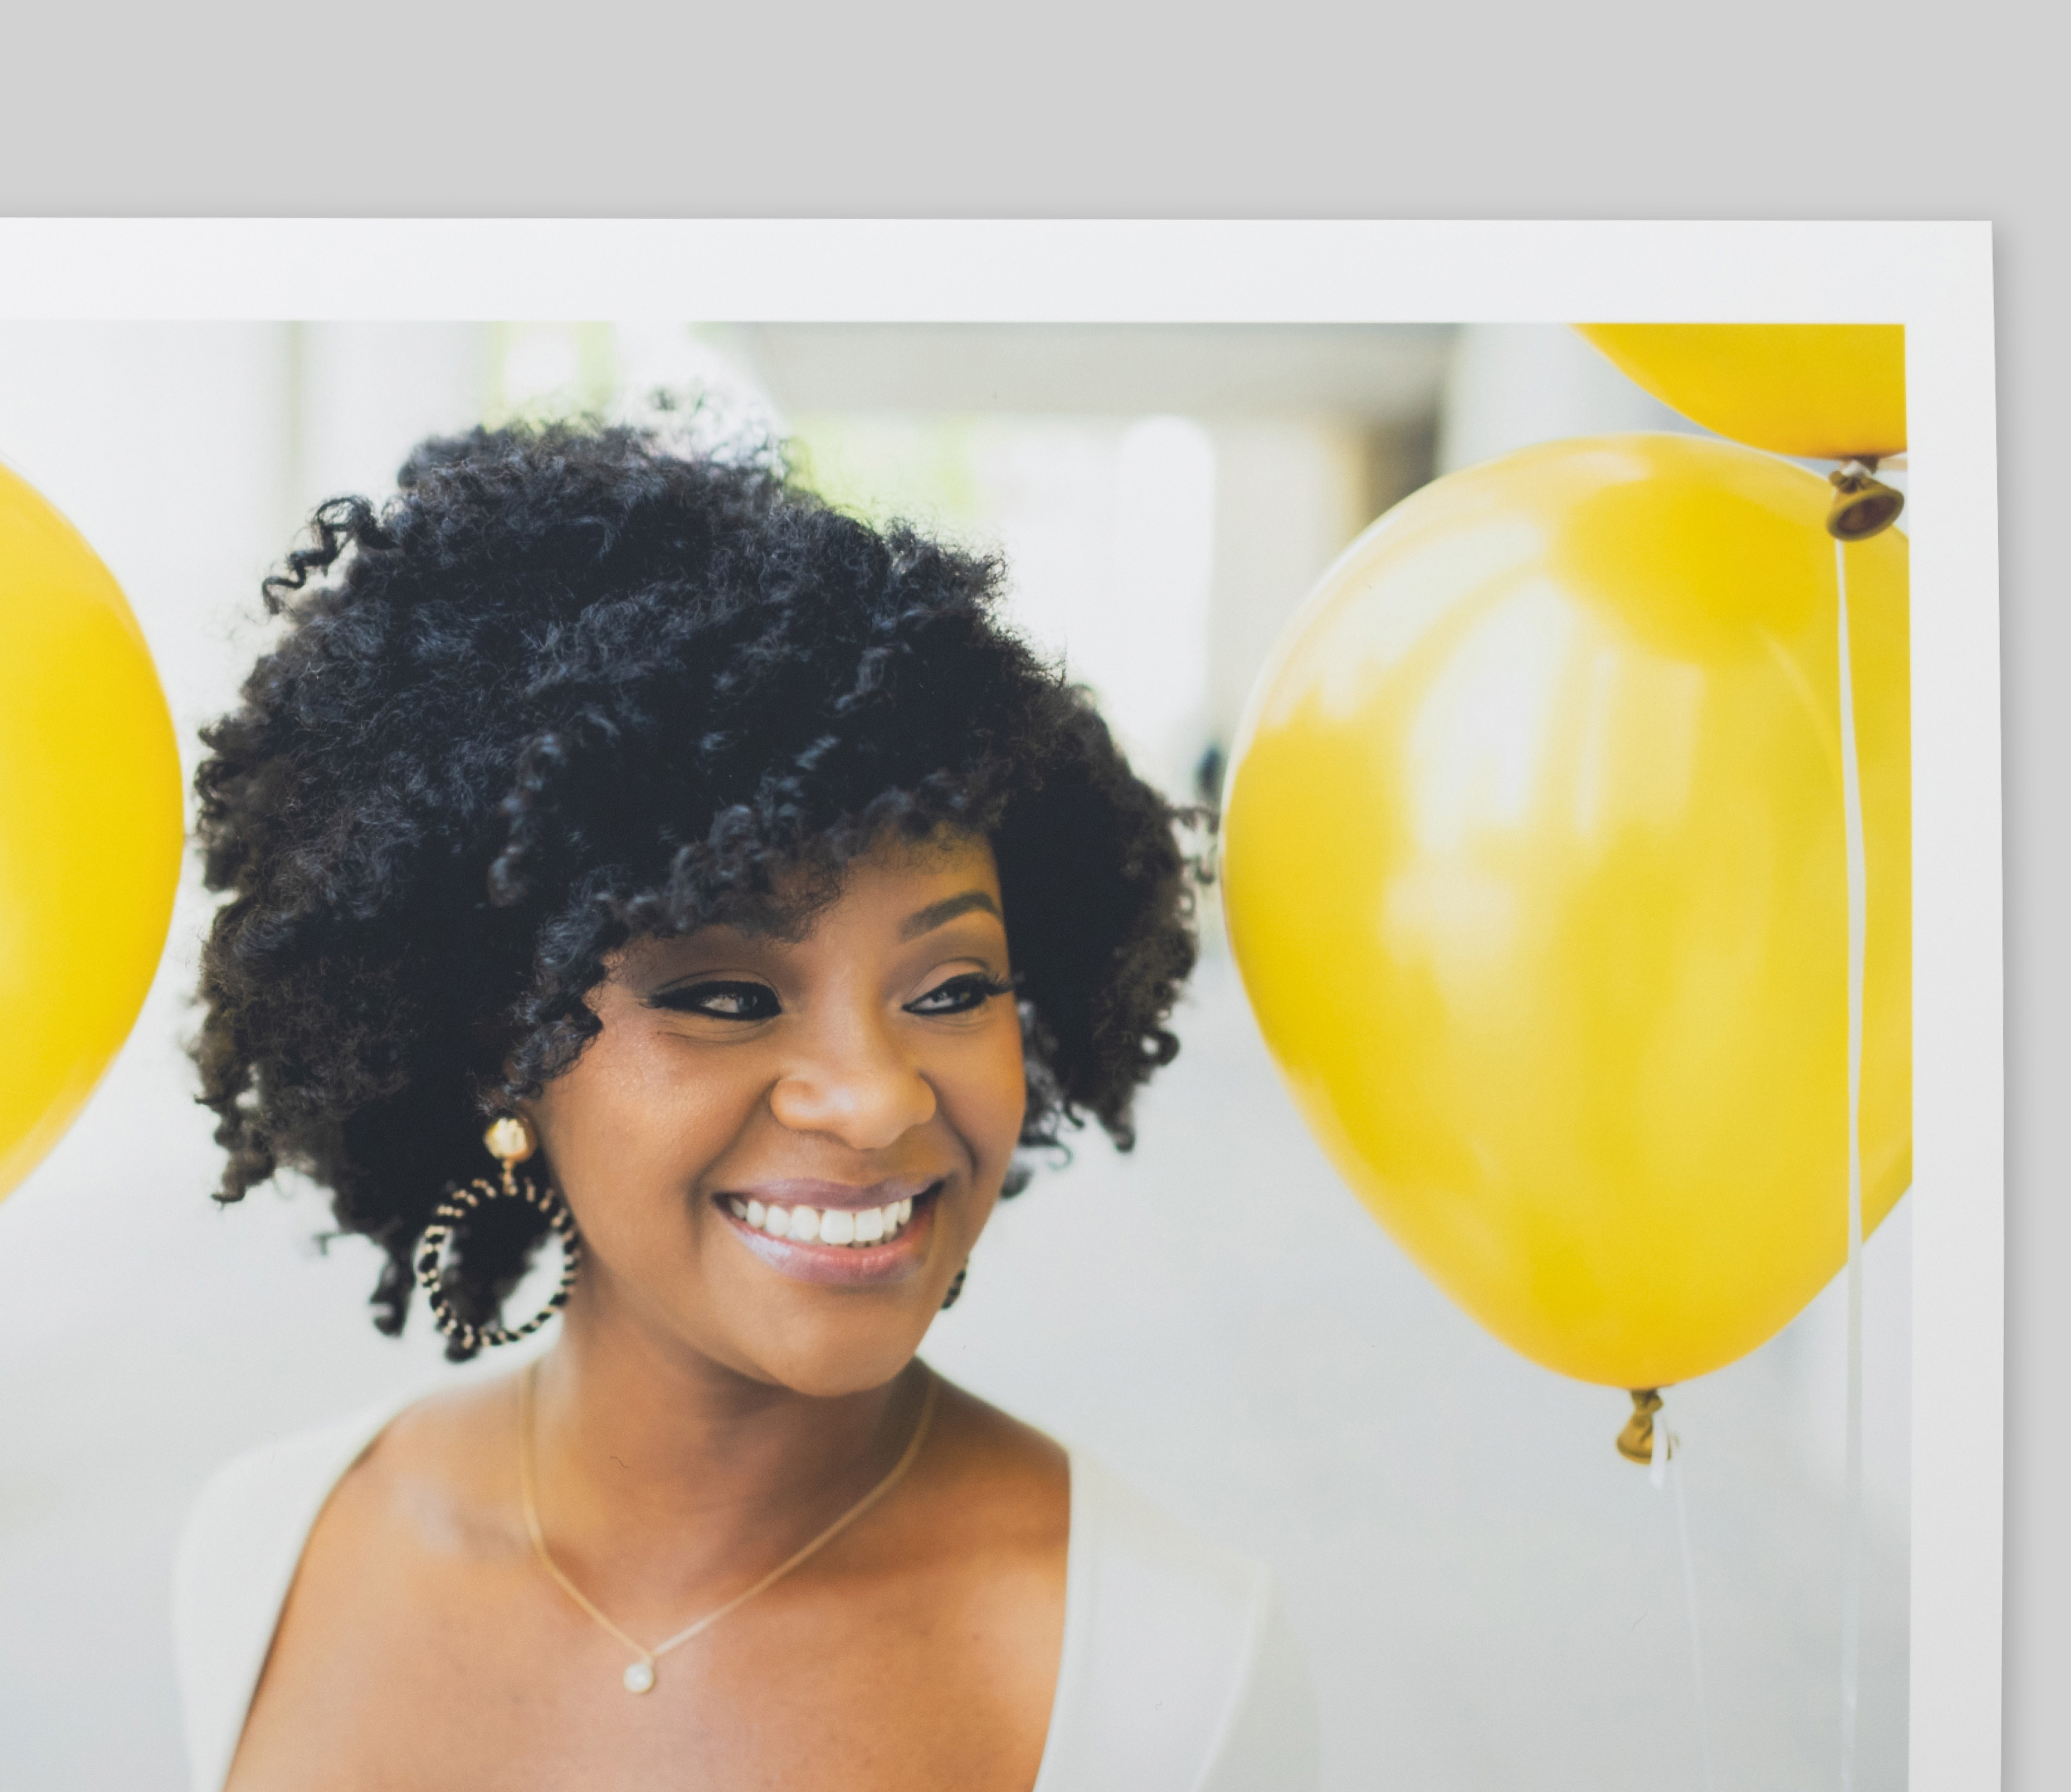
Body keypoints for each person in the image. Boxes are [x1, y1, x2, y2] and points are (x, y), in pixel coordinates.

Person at [173, 419, 1315, 1791]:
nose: (877, 1097)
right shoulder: (266, 1555)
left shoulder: (1169, 1670)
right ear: (499, 1047)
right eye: (723, 994)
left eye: (953, 987)